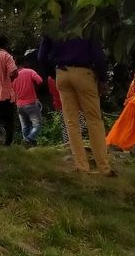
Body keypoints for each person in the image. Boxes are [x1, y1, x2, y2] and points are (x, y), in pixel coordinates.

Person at [38, 10, 112, 176]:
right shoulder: (86, 23)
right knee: (94, 119)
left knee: (71, 122)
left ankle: (81, 166)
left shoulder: (52, 26)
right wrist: (103, 79)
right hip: (83, 73)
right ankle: (104, 167)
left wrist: (54, 72)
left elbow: (41, 57)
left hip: (62, 74)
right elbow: (97, 54)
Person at [13, 63, 44, 146]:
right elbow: (40, 80)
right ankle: (28, 140)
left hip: (19, 105)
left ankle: (27, 147)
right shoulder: (29, 71)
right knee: (37, 125)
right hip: (31, 103)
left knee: (25, 126)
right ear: (23, 64)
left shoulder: (12, 76)